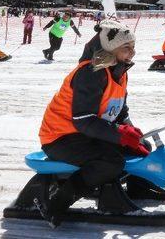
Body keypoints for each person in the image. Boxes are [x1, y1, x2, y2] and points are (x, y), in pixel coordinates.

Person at [35, 20, 148, 228]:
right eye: (126, 48)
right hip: (60, 137)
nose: (132, 52)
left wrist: (130, 130)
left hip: (85, 133)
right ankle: (56, 205)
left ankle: (138, 189)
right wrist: (120, 135)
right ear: (112, 49)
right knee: (111, 161)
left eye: (133, 47)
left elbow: (119, 110)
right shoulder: (91, 73)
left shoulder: (119, 71)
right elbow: (83, 120)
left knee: (142, 147)